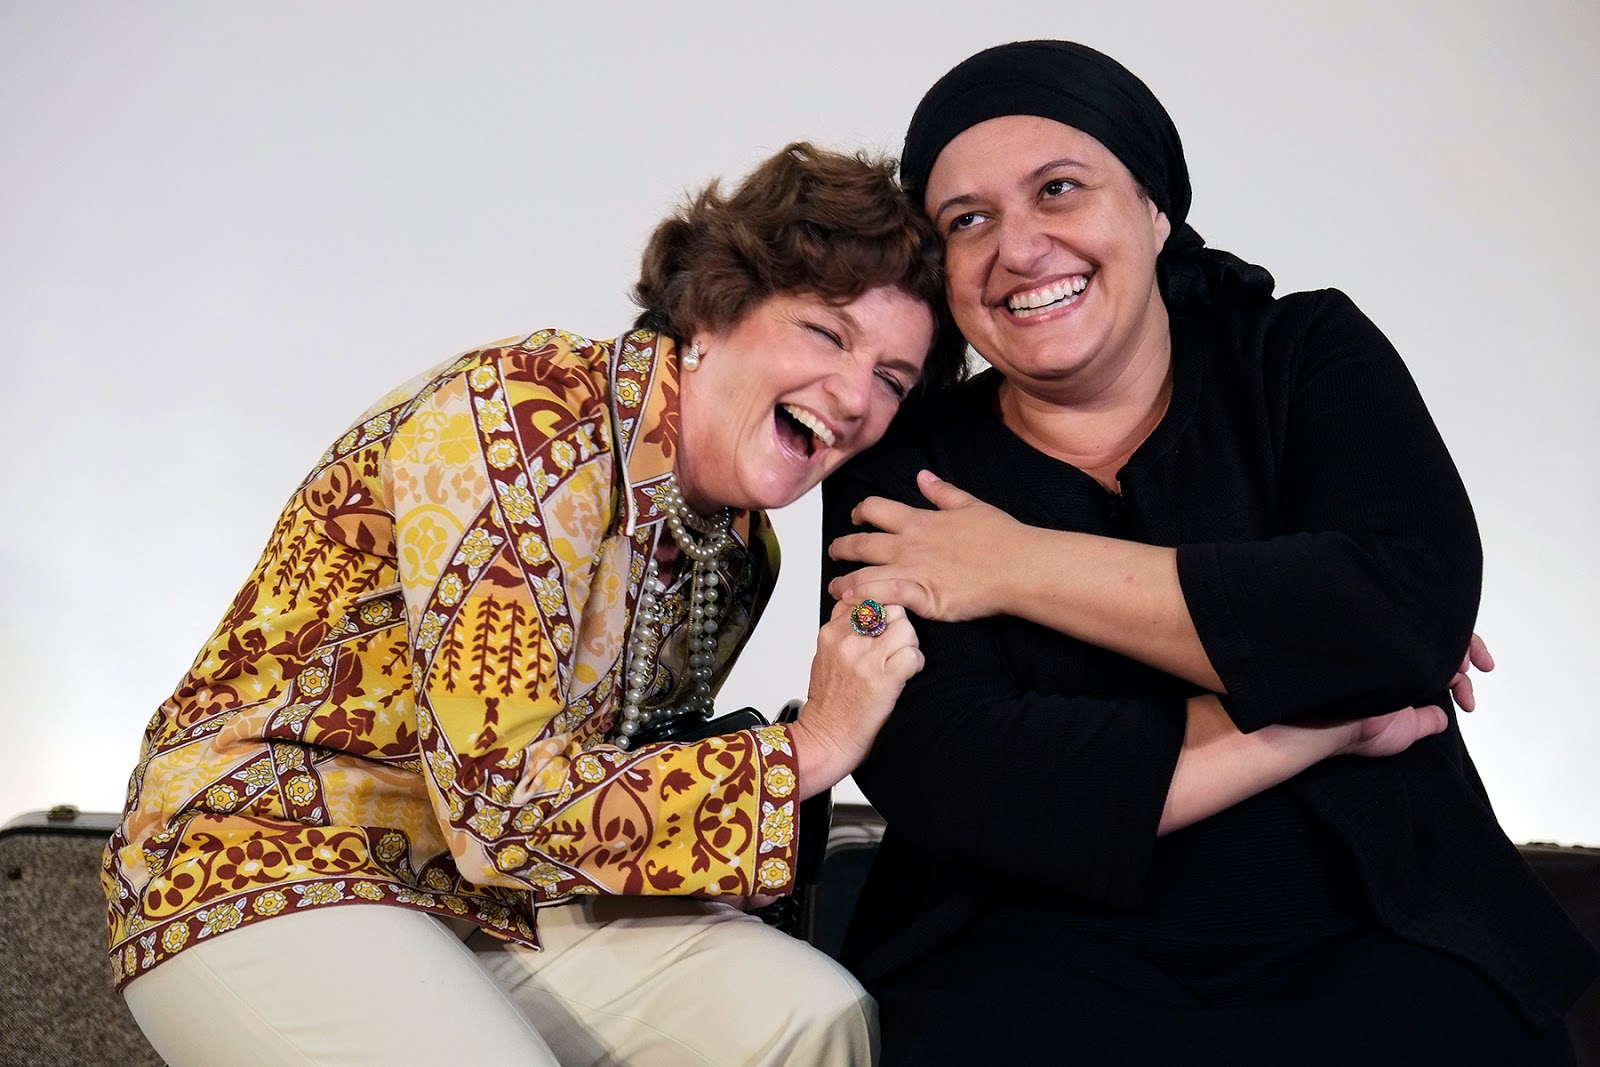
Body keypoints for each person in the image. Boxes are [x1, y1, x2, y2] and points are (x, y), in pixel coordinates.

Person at [103, 142, 966, 1067]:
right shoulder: (529, 414)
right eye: (827, 333)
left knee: (810, 1014)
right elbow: (500, 801)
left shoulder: (742, 550)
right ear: (715, 311)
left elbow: (605, 774)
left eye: (892, 379)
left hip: (494, 896)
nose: (854, 396)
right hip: (267, 855)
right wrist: (809, 749)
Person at [823, 41, 1598, 1064]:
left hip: (1378, 922)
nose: (1018, 247)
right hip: (1023, 955)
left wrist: (1012, 565)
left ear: (1155, 209)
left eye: (1059, 189)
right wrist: (1324, 719)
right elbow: (951, 768)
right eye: (966, 220)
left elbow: (1402, 613)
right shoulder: (901, 460)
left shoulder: (1305, 353)